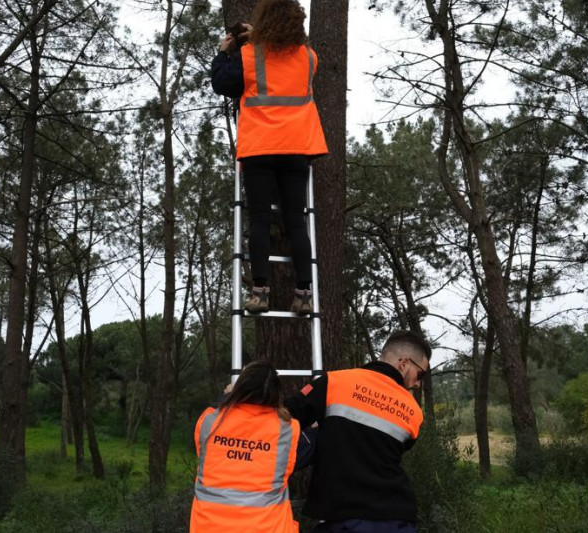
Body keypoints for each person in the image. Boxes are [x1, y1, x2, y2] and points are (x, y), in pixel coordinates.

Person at [211, 0, 328, 315]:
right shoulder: (309, 58)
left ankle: (260, 292)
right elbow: (283, 62)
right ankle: (304, 293)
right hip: (297, 149)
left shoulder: (249, 56)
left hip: (260, 147)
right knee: (296, 223)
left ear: (265, 23)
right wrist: (257, 39)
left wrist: (226, 50)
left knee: (259, 220)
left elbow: (223, 83)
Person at [285, 330, 432, 533]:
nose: (418, 383)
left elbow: (283, 417)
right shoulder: (414, 411)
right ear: (404, 363)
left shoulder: (334, 382)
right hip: (397, 519)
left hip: (343, 517)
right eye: (420, 374)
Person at [190, 361, 311, 533]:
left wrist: (227, 396)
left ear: (239, 387)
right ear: (276, 394)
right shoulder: (287, 430)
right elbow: (307, 449)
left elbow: (206, 450)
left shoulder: (209, 421)